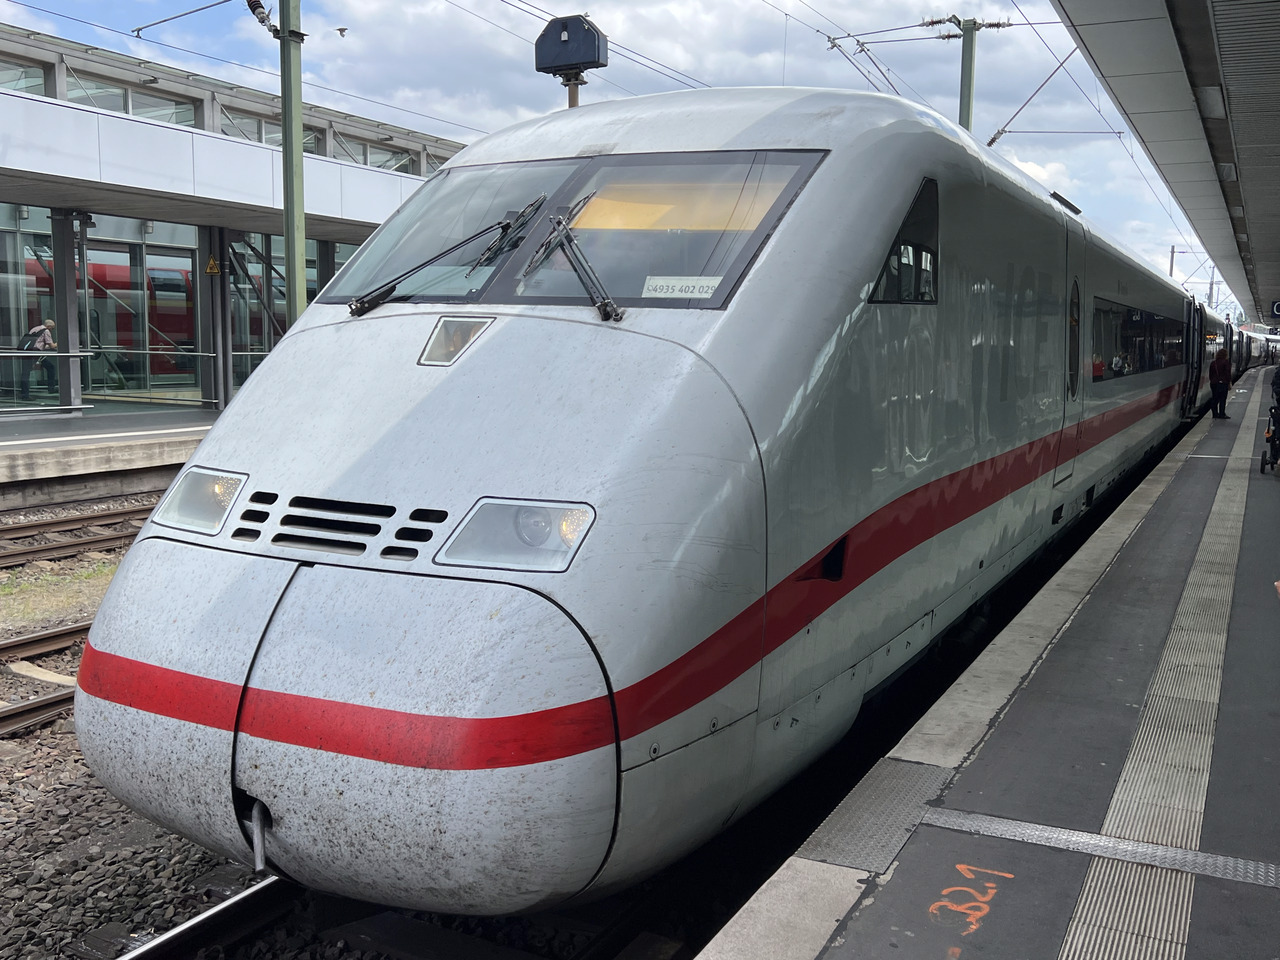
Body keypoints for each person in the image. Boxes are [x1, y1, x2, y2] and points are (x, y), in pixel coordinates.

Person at [18, 319, 57, 401]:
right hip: (36, 353)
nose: (52, 330)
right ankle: (25, 395)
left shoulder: (35, 329)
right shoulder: (46, 331)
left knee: (49, 367)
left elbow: (38, 343)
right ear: (49, 326)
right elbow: (52, 346)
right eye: (52, 328)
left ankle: (24, 392)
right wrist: (59, 343)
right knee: (27, 372)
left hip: (28, 351)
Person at [1208, 347, 1230, 419]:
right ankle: (1222, 414)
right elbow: (1227, 374)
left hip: (1214, 383)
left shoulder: (1213, 363)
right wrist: (1228, 382)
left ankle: (1215, 414)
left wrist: (1213, 381)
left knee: (1215, 398)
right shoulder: (1226, 362)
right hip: (1223, 383)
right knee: (1222, 399)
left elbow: (1210, 374)